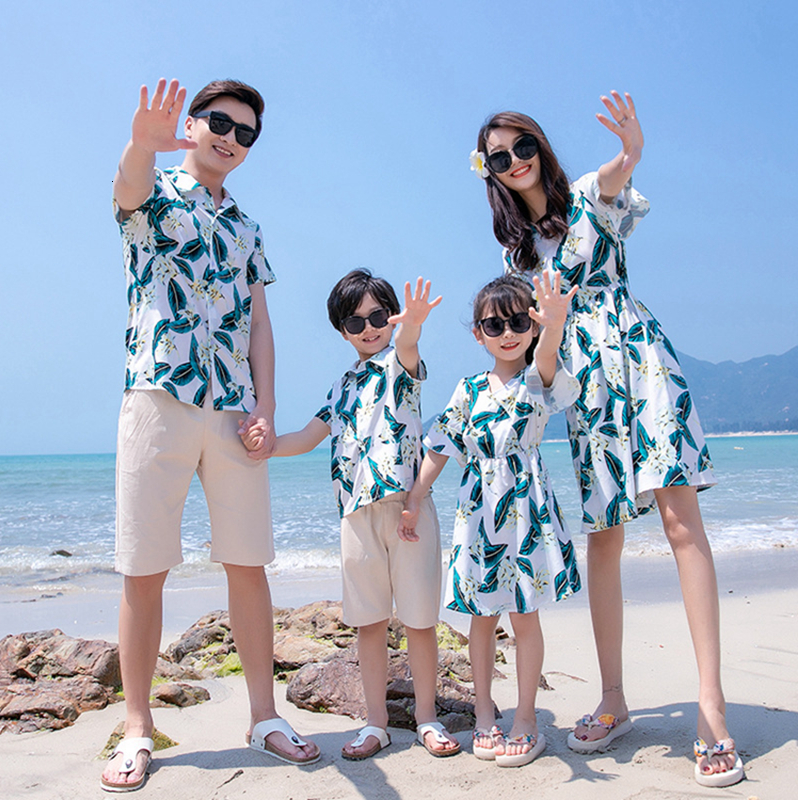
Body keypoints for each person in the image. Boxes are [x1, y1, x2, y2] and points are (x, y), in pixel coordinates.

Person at [470, 92, 743, 787]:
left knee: (683, 524)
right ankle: (614, 699)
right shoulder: (516, 251)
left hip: (643, 365)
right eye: (499, 157)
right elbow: (534, 345)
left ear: (540, 148)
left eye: (522, 146)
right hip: (585, 390)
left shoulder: (591, 194)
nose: (514, 162)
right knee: (605, 536)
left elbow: (618, 172)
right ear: (491, 174)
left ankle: (711, 709)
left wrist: (630, 150)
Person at [103, 78, 319, 792]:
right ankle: (137, 727)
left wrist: (266, 405)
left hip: (233, 411)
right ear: (192, 125)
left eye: (246, 132)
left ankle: (264, 716)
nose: (231, 137)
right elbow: (127, 187)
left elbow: (259, 322)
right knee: (144, 567)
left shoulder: (249, 228)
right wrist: (141, 142)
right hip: (157, 398)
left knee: (248, 562)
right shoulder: (154, 191)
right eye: (220, 122)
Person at [259, 270, 460, 760]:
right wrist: (263, 446)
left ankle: (427, 717)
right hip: (355, 515)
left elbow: (408, 343)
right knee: (368, 623)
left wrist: (411, 324)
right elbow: (307, 438)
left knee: (418, 622)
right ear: (342, 329)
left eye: (377, 316)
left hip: (407, 510)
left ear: (390, 317)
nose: (369, 327)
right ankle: (375, 723)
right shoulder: (341, 386)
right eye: (356, 320)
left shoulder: (401, 364)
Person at [399, 273, 581, 768]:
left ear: (532, 325)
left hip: (525, 509)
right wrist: (415, 496)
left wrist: (555, 326)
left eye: (519, 320)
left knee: (524, 617)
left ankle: (525, 717)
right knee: (481, 618)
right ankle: (484, 715)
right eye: (493, 324)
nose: (507, 332)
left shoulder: (539, 377)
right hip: (479, 512)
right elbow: (440, 446)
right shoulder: (468, 389)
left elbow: (546, 356)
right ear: (477, 334)